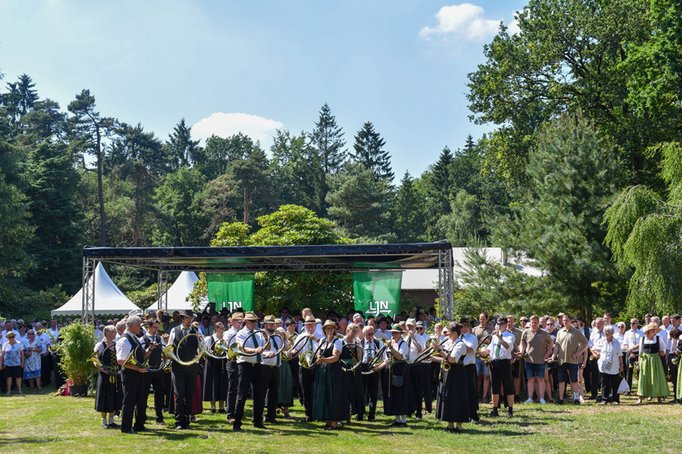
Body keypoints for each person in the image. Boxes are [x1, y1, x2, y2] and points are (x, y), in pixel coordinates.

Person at [233, 311, 267, 431]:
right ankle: (237, 423)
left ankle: (257, 421)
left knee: (259, 394)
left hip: (257, 365)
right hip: (245, 365)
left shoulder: (259, 334)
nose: (254, 323)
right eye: (252, 321)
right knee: (242, 394)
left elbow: (265, 347)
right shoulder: (241, 334)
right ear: (246, 322)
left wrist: (267, 337)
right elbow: (243, 348)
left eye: (255, 321)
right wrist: (255, 350)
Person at [167, 310, 201, 430]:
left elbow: (201, 348)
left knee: (189, 393)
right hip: (178, 366)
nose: (190, 321)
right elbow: (169, 348)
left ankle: (187, 421)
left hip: (191, 366)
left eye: (191, 319)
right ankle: (179, 421)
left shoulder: (196, 331)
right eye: (188, 319)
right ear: (182, 319)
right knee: (179, 394)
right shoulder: (174, 330)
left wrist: (201, 341)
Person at [115, 315, 149, 434]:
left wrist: (150, 350)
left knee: (140, 400)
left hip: (138, 374)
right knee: (129, 401)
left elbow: (142, 356)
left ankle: (139, 425)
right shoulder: (124, 340)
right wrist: (137, 369)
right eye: (139, 325)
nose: (141, 327)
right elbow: (120, 361)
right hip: (129, 375)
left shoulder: (134, 338)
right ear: (133, 325)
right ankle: (126, 427)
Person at [434, 323, 469, 432]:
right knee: (448, 397)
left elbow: (453, 359)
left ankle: (459, 425)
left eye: (448, 332)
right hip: (448, 372)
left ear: (454, 333)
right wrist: (432, 357)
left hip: (457, 374)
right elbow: (445, 359)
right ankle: (450, 424)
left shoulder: (460, 344)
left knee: (457, 397)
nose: (446, 334)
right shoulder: (449, 342)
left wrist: (439, 350)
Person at [313, 320, 347, 430]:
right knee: (325, 395)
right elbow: (318, 353)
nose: (329, 330)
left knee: (333, 396)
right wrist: (319, 358)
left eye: (331, 328)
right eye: (327, 328)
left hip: (333, 372)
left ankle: (334, 422)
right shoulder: (322, 340)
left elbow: (335, 357)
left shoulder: (338, 341)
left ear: (334, 329)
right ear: (324, 330)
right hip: (323, 371)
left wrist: (323, 360)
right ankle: (328, 420)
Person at [482, 317, 516, 417]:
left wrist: (499, 337)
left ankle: (510, 409)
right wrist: (479, 352)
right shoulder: (494, 337)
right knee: (495, 387)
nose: (498, 326)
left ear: (506, 325)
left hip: (505, 362)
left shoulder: (510, 335)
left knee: (508, 386)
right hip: (494, 363)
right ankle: (495, 409)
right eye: (497, 324)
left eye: (501, 324)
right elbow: (489, 350)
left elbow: (507, 347)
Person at [290, 315, 319, 423]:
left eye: (312, 325)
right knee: (306, 391)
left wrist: (315, 338)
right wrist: (290, 353)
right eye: (308, 325)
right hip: (304, 366)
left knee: (317, 390)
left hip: (316, 364)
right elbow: (295, 349)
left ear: (315, 325)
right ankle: (309, 415)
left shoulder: (320, 335)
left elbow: (324, 346)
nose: (310, 327)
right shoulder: (301, 336)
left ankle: (318, 413)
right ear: (305, 326)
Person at [553, 314, 588, 405]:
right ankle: (560, 399)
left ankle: (576, 398)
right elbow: (557, 345)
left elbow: (585, 343)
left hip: (572, 361)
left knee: (574, 380)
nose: (565, 322)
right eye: (563, 320)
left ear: (571, 321)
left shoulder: (576, 332)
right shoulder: (560, 332)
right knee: (561, 380)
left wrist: (578, 353)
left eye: (567, 320)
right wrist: (554, 355)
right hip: (561, 360)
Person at [382, 324, 411, 427]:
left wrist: (390, 347)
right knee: (393, 394)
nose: (393, 334)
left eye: (395, 333)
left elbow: (399, 356)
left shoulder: (403, 344)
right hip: (391, 369)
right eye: (392, 332)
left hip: (400, 369)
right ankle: (397, 419)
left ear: (400, 334)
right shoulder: (391, 342)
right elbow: (386, 358)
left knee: (401, 393)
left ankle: (403, 420)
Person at [520, 315, 553, 404]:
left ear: (538, 322)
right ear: (530, 322)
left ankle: (542, 398)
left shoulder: (543, 333)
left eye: (535, 322)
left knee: (540, 379)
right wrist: (522, 352)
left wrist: (547, 354)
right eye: (532, 322)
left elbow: (551, 342)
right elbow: (522, 343)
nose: (534, 324)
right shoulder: (525, 332)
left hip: (541, 360)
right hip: (528, 360)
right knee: (530, 379)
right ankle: (530, 398)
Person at [94, 325, 121, 428]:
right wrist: (101, 368)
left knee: (114, 395)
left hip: (114, 373)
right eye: (112, 332)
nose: (114, 334)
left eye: (114, 332)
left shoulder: (116, 344)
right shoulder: (100, 345)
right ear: (107, 333)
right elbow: (95, 359)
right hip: (104, 375)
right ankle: (104, 421)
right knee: (104, 396)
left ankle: (111, 420)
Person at [636, 323, 669, 404]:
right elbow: (640, 352)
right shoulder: (642, 339)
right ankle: (640, 398)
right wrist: (639, 363)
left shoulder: (658, 338)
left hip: (655, 360)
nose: (654, 331)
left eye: (655, 329)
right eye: (653, 329)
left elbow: (663, 351)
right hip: (645, 360)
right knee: (643, 379)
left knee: (657, 378)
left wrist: (661, 352)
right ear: (648, 331)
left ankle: (659, 398)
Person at [142, 320, 166, 423]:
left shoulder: (160, 338)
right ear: (149, 327)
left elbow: (165, 351)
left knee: (159, 394)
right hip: (147, 370)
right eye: (155, 327)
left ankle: (159, 417)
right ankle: (142, 416)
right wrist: (150, 349)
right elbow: (142, 357)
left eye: (157, 327)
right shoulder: (142, 339)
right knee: (143, 394)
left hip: (158, 369)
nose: (157, 329)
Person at [591, 325, 623, 404]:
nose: (606, 333)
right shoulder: (601, 341)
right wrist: (596, 353)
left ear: (612, 333)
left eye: (607, 331)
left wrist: (621, 366)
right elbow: (592, 348)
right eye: (605, 331)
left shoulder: (616, 343)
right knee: (604, 383)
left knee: (614, 383)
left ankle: (615, 399)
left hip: (614, 365)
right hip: (603, 365)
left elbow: (620, 355)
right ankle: (604, 399)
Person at [358, 325, 382, 421]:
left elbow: (385, 359)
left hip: (374, 368)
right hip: (363, 368)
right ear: (364, 334)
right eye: (368, 334)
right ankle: (360, 414)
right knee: (361, 393)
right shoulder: (359, 343)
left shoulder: (378, 343)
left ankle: (371, 415)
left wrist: (379, 367)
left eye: (372, 333)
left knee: (373, 393)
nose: (371, 336)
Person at [203, 321, 228, 414]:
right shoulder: (209, 338)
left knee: (222, 384)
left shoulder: (225, 339)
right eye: (221, 329)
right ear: (216, 329)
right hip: (212, 363)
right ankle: (213, 406)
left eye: (223, 329)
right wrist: (211, 352)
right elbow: (204, 350)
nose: (222, 331)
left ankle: (221, 406)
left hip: (222, 362)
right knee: (212, 383)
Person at [223, 311, 244, 421]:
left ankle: (239, 412)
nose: (241, 323)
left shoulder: (243, 332)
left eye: (242, 321)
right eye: (238, 321)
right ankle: (230, 414)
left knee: (241, 388)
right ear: (233, 322)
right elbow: (229, 346)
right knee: (232, 388)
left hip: (242, 361)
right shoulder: (228, 333)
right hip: (232, 361)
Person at [341, 323, 363, 422]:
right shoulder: (342, 341)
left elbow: (359, 358)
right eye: (353, 331)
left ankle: (355, 412)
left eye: (356, 331)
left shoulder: (356, 342)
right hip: (344, 369)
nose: (354, 333)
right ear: (348, 330)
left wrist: (358, 346)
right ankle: (344, 414)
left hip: (355, 369)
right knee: (345, 392)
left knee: (356, 391)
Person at [261, 315, 281, 424]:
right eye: (270, 324)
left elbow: (281, 349)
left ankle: (271, 416)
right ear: (265, 325)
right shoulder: (261, 335)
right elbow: (263, 349)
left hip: (275, 366)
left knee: (274, 393)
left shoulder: (276, 336)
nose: (272, 326)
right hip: (264, 366)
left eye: (273, 324)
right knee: (262, 392)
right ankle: (259, 415)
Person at [459, 317, 479, 422]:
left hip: (468, 366)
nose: (461, 328)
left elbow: (470, 349)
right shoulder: (457, 337)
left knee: (471, 391)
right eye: (460, 326)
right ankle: (462, 413)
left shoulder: (472, 337)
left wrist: (459, 344)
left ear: (467, 327)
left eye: (462, 326)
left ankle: (473, 415)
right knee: (459, 391)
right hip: (458, 366)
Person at [473, 312, 491, 402]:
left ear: (487, 319)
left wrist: (489, 341)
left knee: (486, 376)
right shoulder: (475, 329)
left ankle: (485, 396)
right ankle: (476, 395)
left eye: (483, 318)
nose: (481, 320)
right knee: (477, 376)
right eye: (480, 318)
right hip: (477, 356)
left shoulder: (491, 329)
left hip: (487, 356)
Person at [1, 331, 24, 396]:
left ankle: (20, 391)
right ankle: (9, 391)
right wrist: (1, 364)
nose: (11, 338)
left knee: (18, 377)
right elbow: (2, 355)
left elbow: (22, 354)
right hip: (8, 364)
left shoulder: (19, 343)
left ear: (14, 336)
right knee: (9, 377)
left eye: (12, 336)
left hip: (17, 363)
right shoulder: (5, 344)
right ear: (8, 338)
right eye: (10, 337)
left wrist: (22, 362)